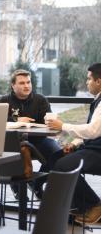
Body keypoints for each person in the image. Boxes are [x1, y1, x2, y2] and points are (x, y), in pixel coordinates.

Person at [46, 63, 101, 224]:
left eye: (89, 79)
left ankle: (95, 205)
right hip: (93, 147)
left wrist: (62, 126)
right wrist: (75, 144)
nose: (87, 82)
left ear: (99, 81)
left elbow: (92, 131)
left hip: (99, 152)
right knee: (55, 159)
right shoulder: (98, 100)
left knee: (64, 166)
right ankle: (72, 204)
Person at [0, 69, 61, 198]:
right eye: (22, 83)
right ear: (13, 85)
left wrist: (51, 122)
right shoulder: (4, 101)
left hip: (39, 141)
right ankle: (17, 188)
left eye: (28, 82)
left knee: (59, 156)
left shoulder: (40, 100)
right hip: (13, 143)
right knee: (12, 156)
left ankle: (36, 182)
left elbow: (49, 121)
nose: (26, 86)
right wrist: (15, 120)